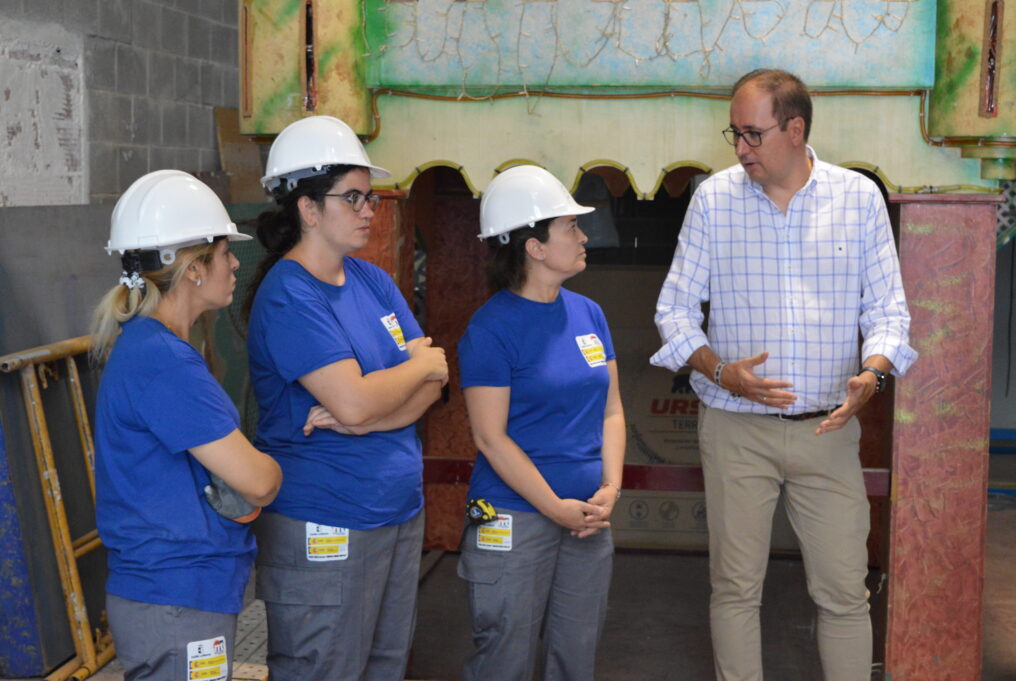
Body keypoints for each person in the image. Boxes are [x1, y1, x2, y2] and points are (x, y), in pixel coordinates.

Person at [651, 68, 918, 681]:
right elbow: (673, 310)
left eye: (752, 134)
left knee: (845, 594)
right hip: (735, 429)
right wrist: (721, 371)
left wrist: (872, 377)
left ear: (795, 130)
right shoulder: (713, 199)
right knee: (735, 590)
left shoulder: (858, 199)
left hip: (828, 430)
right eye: (734, 135)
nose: (740, 149)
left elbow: (887, 313)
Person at [245, 115, 448, 681]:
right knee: (324, 668)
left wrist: (372, 418)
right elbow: (358, 399)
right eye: (352, 197)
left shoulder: (372, 280)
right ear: (308, 209)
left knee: (384, 665)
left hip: (397, 511)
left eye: (371, 199)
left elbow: (432, 381)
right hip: (326, 517)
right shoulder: (289, 295)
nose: (367, 210)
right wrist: (395, 387)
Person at [93, 169, 282, 681]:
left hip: (175, 597)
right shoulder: (165, 363)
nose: (235, 263)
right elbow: (259, 482)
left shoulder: (154, 348)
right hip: (175, 602)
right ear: (194, 268)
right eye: (225, 253)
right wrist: (268, 463)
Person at [458, 165, 626, 681]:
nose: (583, 236)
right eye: (570, 228)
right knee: (503, 659)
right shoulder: (490, 329)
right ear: (534, 247)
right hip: (518, 516)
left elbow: (613, 409)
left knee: (574, 658)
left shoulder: (590, 314)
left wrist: (611, 488)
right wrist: (555, 508)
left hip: (588, 518)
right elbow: (491, 437)